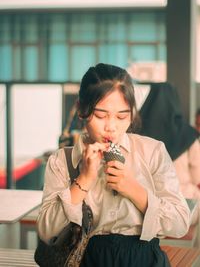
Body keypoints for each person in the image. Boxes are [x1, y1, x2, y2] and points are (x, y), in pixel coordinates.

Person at [37, 63, 190, 267]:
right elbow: (47, 232)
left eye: (122, 116)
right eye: (101, 115)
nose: (111, 126)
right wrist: (84, 180)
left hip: (144, 260)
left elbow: (180, 224)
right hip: (86, 261)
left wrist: (135, 190)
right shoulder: (61, 161)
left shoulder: (152, 151)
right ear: (82, 109)